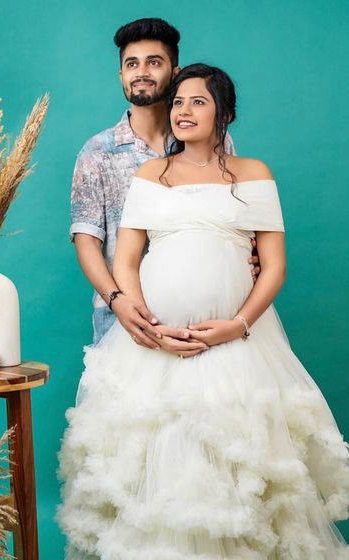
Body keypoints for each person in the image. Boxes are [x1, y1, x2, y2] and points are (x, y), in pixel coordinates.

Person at [58, 63, 349, 559]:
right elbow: (127, 259)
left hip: (238, 344)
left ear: (225, 112)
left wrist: (235, 326)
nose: (184, 111)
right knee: (158, 457)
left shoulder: (253, 172)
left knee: (235, 458)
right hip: (157, 344)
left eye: (199, 101)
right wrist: (146, 320)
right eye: (177, 102)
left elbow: (274, 267)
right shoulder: (152, 174)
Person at [70, 18, 260, 356]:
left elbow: (232, 213)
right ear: (121, 76)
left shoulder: (214, 139)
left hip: (206, 324)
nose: (141, 72)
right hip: (127, 323)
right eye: (132, 64)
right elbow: (87, 242)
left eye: (153, 62)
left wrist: (251, 256)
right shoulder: (97, 152)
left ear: (175, 72)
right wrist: (117, 301)